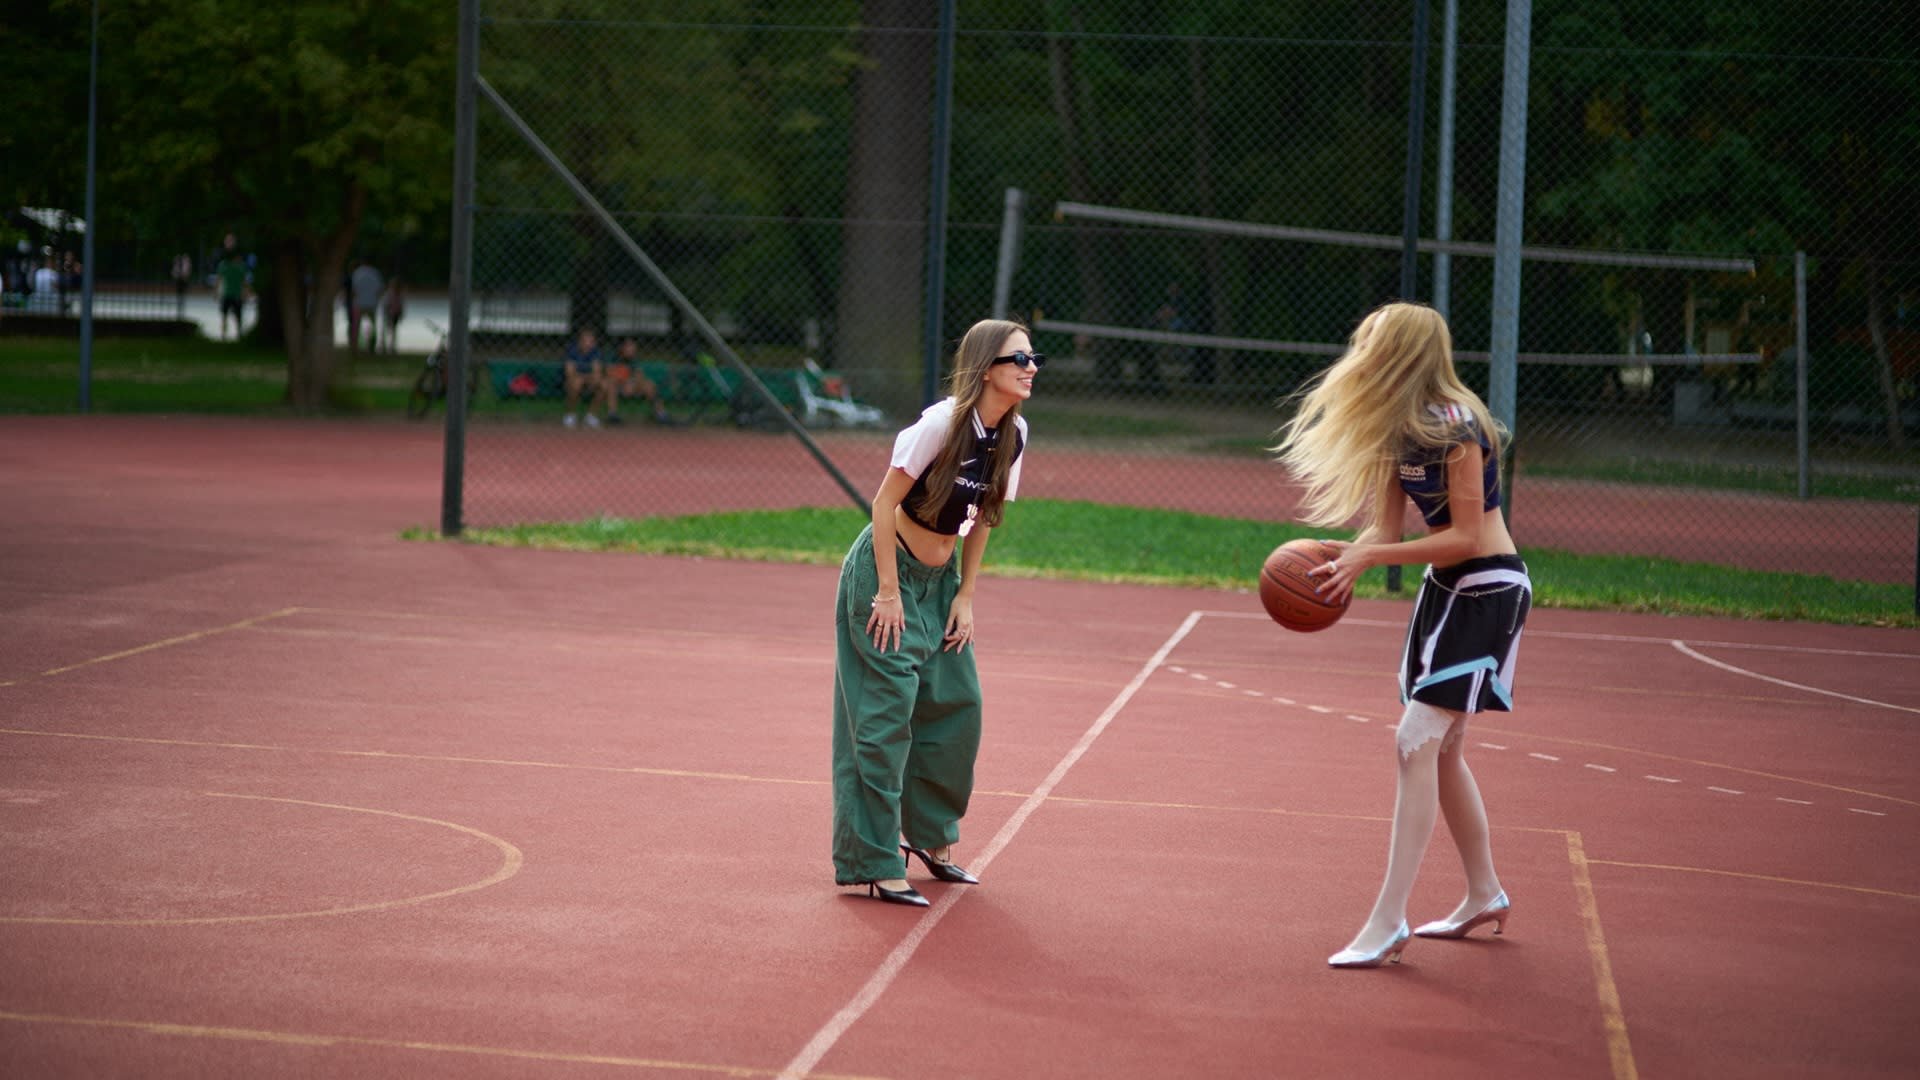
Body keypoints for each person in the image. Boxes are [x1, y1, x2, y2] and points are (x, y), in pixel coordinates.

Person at [1272, 301, 1531, 969]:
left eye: (1373, 343)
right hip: (1444, 593)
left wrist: (1370, 560)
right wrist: (1345, 554)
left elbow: (1467, 536)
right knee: (1439, 752)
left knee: (1415, 740)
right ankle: (1483, 892)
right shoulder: (1400, 429)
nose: (1361, 353)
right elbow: (1386, 536)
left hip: (1488, 589)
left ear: (1404, 353)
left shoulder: (1459, 427)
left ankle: (1389, 920)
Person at [831, 318, 1038, 906]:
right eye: (1017, 359)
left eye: (1032, 358)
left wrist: (966, 596)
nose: (1030, 368)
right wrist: (888, 592)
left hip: (942, 583)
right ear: (985, 368)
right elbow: (882, 503)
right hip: (886, 572)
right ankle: (872, 860)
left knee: (956, 708)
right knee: (883, 723)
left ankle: (931, 840)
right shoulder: (941, 425)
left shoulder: (1014, 433)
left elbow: (987, 516)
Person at [600, 337, 673, 425]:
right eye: (629, 347)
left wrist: (632, 381)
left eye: (633, 347)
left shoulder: (633, 359)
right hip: (616, 386)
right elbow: (609, 373)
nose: (632, 349)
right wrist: (625, 380)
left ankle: (661, 414)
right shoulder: (613, 356)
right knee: (611, 383)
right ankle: (612, 415)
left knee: (649, 384)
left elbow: (639, 376)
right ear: (622, 348)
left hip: (630, 385)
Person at [561, 328, 604, 428]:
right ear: (580, 341)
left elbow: (597, 372)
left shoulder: (596, 352)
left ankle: (591, 416)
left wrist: (589, 378)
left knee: (603, 384)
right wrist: (587, 377)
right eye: (586, 340)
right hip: (570, 381)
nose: (588, 343)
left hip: (587, 380)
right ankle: (570, 415)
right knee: (576, 383)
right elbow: (569, 373)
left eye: (591, 341)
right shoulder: (572, 351)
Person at [348, 258, 385, 355]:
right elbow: (380, 290)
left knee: (357, 327)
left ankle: (356, 348)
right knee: (373, 326)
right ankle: (371, 346)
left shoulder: (357, 273)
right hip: (372, 303)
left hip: (359, 303)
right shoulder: (375, 273)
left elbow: (354, 290)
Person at [214, 245, 250, 340]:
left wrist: (246, 293)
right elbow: (219, 279)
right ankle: (224, 335)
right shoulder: (225, 265)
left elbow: (244, 282)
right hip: (227, 294)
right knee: (226, 316)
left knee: (236, 316)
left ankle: (238, 335)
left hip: (236, 294)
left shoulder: (240, 266)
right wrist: (216, 292)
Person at [380, 276, 406, 355]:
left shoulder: (399, 295)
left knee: (393, 331)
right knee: (387, 330)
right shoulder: (389, 294)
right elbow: (385, 305)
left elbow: (401, 305)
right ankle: (384, 346)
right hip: (389, 315)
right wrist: (387, 313)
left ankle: (391, 347)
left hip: (395, 315)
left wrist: (401, 313)